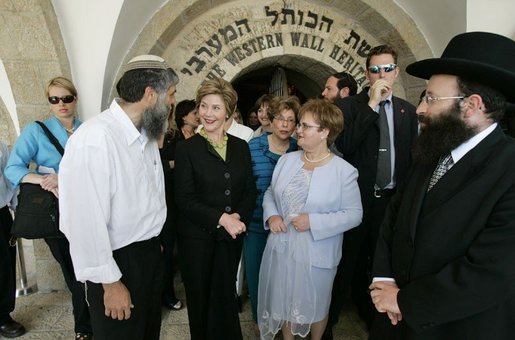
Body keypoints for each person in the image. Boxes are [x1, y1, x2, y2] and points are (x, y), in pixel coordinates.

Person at [369, 31, 515, 340]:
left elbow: (492, 271)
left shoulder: (509, 167)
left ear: (471, 105)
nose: (420, 108)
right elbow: (394, 216)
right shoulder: (433, 149)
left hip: (455, 328)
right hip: (392, 320)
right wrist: (384, 281)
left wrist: (405, 300)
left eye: (431, 98)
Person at [58, 55, 179, 340]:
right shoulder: (95, 139)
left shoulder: (146, 133)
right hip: (115, 264)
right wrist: (110, 283)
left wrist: (154, 245)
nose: (173, 102)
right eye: (171, 94)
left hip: (147, 255)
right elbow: (83, 222)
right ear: (151, 95)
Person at [324, 45, 418, 336]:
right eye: (375, 69)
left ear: (396, 72)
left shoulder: (407, 110)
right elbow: (346, 145)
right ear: (367, 74)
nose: (382, 74)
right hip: (356, 200)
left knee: (379, 265)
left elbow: (411, 158)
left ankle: (371, 319)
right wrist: (372, 105)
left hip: (390, 203)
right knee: (346, 263)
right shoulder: (349, 107)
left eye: (387, 68)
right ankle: (328, 323)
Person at [258, 99, 363, 340]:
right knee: (284, 300)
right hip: (282, 246)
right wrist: (272, 214)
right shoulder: (287, 160)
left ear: (324, 131)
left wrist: (313, 221)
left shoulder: (344, 171)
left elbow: (354, 215)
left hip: (317, 252)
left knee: (315, 305)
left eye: (305, 126)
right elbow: (270, 193)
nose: (298, 130)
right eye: (300, 125)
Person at [5, 77, 92, 339]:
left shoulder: (88, 129)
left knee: (91, 265)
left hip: (87, 206)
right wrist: (44, 179)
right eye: (54, 99)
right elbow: (13, 168)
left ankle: (97, 317)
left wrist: (64, 177)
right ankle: (84, 327)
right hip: (55, 210)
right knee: (73, 269)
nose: (61, 104)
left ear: (75, 99)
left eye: (66, 98)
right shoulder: (36, 130)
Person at [174, 77, 256, 340]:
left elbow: (249, 189)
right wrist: (223, 218)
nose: (208, 114)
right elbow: (184, 199)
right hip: (197, 240)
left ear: (228, 111)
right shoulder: (186, 149)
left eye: (216, 108)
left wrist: (238, 218)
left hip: (230, 238)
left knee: (224, 297)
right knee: (200, 300)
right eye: (204, 106)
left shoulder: (241, 146)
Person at [244, 95, 300, 322]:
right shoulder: (253, 147)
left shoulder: (299, 149)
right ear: (271, 120)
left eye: (290, 120)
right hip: (257, 224)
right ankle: (263, 325)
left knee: (284, 279)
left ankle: (283, 322)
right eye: (280, 119)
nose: (285, 125)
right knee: (258, 278)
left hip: (289, 228)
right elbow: (243, 186)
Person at [159, 100, 197, 312]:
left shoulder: (198, 135)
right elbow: (155, 163)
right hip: (168, 199)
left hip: (190, 199)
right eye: (194, 112)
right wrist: (178, 163)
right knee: (166, 249)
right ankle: (166, 294)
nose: (198, 116)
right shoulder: (170, 135)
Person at [0, 141, 25, 339]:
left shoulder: (0, 144)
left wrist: (17, 209)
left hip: (0, 213)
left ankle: (2, 316)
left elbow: (9, 176)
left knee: (4, 266)